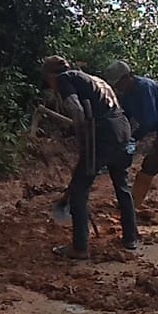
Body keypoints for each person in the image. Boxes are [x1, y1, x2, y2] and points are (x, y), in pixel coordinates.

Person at [40, 56, 139, 260]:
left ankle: (80, 247)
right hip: (122, 129)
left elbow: (76, 109)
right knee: (121, 185)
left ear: (50, 76)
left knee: (79, 190)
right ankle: (131, 237)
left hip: (103, 133)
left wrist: (83, 137)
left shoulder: (64, 79)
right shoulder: (93, 79)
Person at [104, 60, 158, 224]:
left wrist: (133, 139)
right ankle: (133, 203)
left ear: (128, 77)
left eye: (119, 83)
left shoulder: (144, 87)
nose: (118, 88)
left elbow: (149, 120)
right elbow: (126, 116)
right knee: (149, 166)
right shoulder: (127, 94)